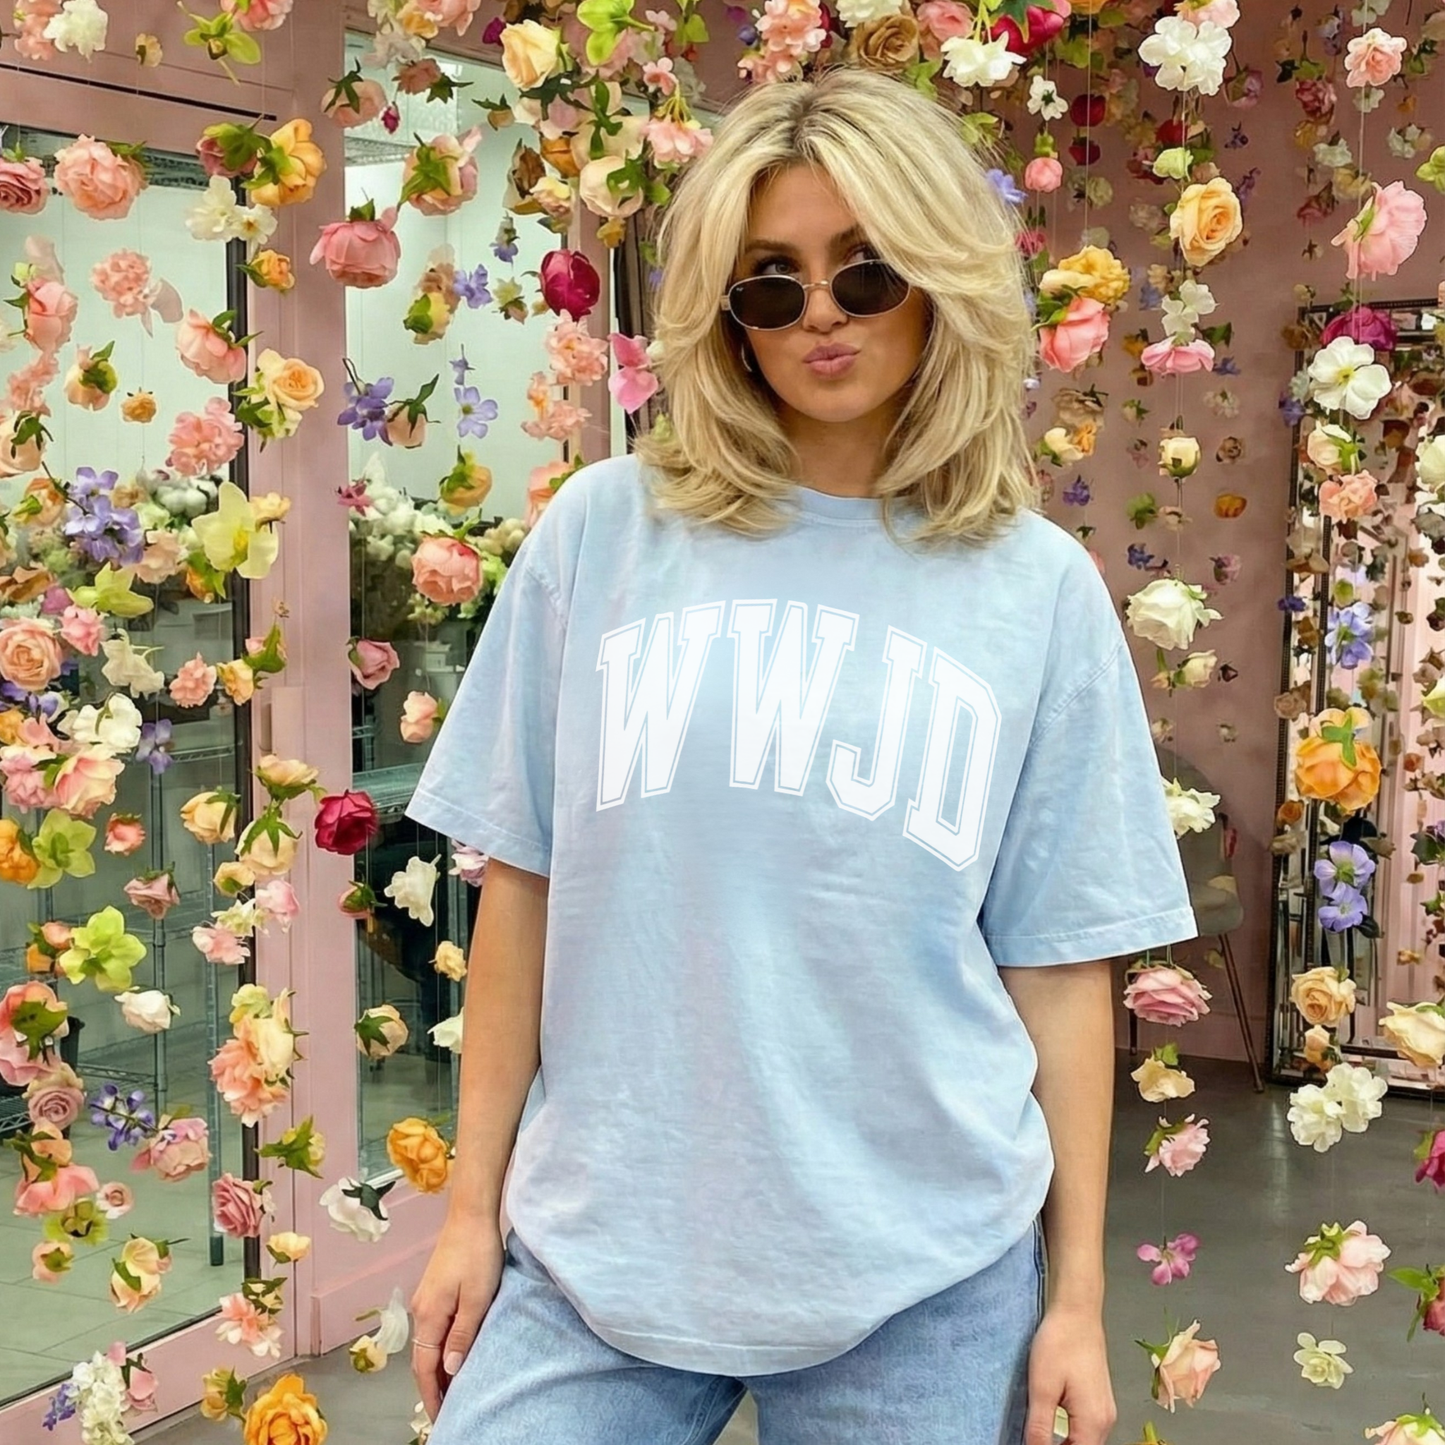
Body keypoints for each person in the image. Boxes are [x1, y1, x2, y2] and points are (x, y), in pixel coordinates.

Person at [405, 65, 1196, 1445]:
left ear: (939, 278)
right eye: (772, 282)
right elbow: (520, 885)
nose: (820, 312)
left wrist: (1071, 1300)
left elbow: (1062, 970)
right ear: (727, 316)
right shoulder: (603, 535)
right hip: (601, 1254)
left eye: (864, 271)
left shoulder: (1035, 589)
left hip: (927, 1282)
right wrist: (472, 1214)